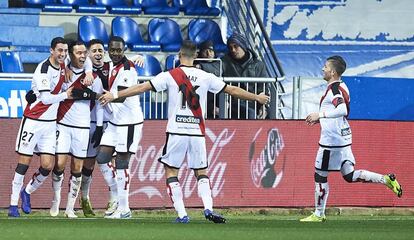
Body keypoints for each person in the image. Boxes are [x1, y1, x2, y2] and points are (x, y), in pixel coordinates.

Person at [99, 40, 270, 223]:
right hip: (197, 131)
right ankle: (208, 209)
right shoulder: (205, 76)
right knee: (201, 172)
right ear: (196, 56)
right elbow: (232, 90)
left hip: (176, 131)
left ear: (179, 54)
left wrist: (114, 95)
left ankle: (182, 215)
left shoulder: (171, 75)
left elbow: (141, 88)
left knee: (171, 172)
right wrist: (257, 97)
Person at [300, 55, 403, 222]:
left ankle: (319, 214)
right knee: (349, 175)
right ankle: (385, 180)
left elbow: (342, 109)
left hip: (331, 141)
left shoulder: (334, 89)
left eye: (325, 67)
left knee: (320, 175)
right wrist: (322, 118)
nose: (323, 69)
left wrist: (320, 114)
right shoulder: (342, 85)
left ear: (332, 72)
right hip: (343, 137)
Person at [8, 37, 73, 217]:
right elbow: (45, 99)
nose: (63, 54)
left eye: (65, 51)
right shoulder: (43, 70)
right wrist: (66, 95)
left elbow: (80, 60)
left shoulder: (63, 63)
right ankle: (13, 205)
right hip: (33, 121)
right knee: (24, 163)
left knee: (47, 165)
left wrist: (68, 68)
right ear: (51, 50)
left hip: (50, 125)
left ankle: (26, 192)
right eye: (60, 50)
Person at [87, 36, 144, 219]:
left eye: (119, 50)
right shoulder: (111, 65)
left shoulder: (128, 69)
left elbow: (122, 95)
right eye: (112, 50)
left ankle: (125, 208)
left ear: (124, 49)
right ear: (108, 50)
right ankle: (116, 192)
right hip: (115, 121)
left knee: (121, 162)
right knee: (102, 157)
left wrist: (106, 96)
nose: (116, 53)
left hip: (128, 122)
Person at [49, 40, 104, 218]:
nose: (82, 56)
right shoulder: (62, 72)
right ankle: (56, 199)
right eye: (78, 53)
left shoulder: (92, 77)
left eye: (83, 53)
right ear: (71, 55)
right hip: (63, 124)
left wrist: (100, 126)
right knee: (59, 164)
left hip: (82, 126)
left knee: (77, 168)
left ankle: (70, 208)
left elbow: (100, 101)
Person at [221, 32, 269, 119]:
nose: (233, 50)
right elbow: (213, 67)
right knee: (249, 113)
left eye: (236, 46)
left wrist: (263, 107)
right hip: (231, 103)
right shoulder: (224, 62)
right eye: (230, 47)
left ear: (243, 46)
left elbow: (263, 88)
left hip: (253, 102)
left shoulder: (258, 65)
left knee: (268, 116)